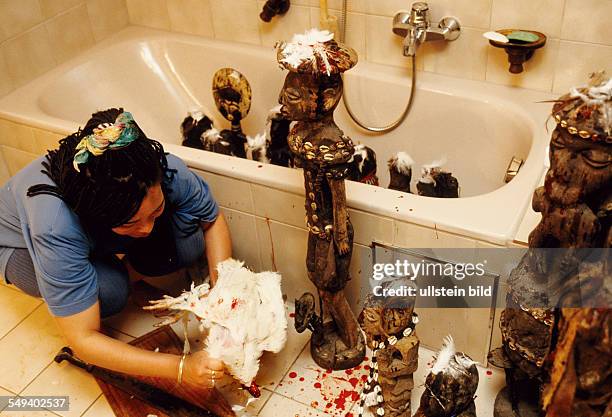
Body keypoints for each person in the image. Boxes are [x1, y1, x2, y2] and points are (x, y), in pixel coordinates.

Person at [0, 108, 231, 387]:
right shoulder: (55, 223)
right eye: (129, 223)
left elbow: (212, 220)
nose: (146, 229)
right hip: (15, 245)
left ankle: (102, 266)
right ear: (96, 215)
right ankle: (99, 277)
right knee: (111, 291)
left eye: (155, 211)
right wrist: (182, 367)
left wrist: (223, 293)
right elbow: (83, 339)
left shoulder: (162, 170)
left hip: (86, 234)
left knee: (187, 243)